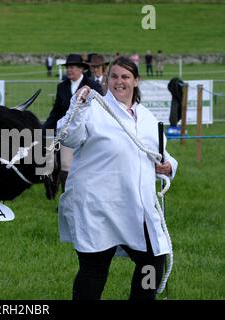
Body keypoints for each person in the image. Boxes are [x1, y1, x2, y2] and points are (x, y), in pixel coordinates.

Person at [57, 56, 178, 300]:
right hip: (97, 206)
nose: (119, 82)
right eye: (114, 76)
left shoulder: (145, 116)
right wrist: (77, 106)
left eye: (125, 76)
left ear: (136, 81)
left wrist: (168, 166)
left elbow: (160, 153)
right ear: (107, 79)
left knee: (153, 260)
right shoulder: (93, 109)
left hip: (137, 205)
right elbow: (67, 137)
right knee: (95, 269)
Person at [43, 54, 102, 197]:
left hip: (90, 134)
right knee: (66, 166)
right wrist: (44, 129)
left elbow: (100, 110)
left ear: (81, 69)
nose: (69, 70)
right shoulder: (61, 87)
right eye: (68, 67)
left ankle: (90, 196)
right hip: (68, 133)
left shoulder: (93, 86)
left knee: (89, 167)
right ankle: (67, 197)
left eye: (73, 67)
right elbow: (57, 111)